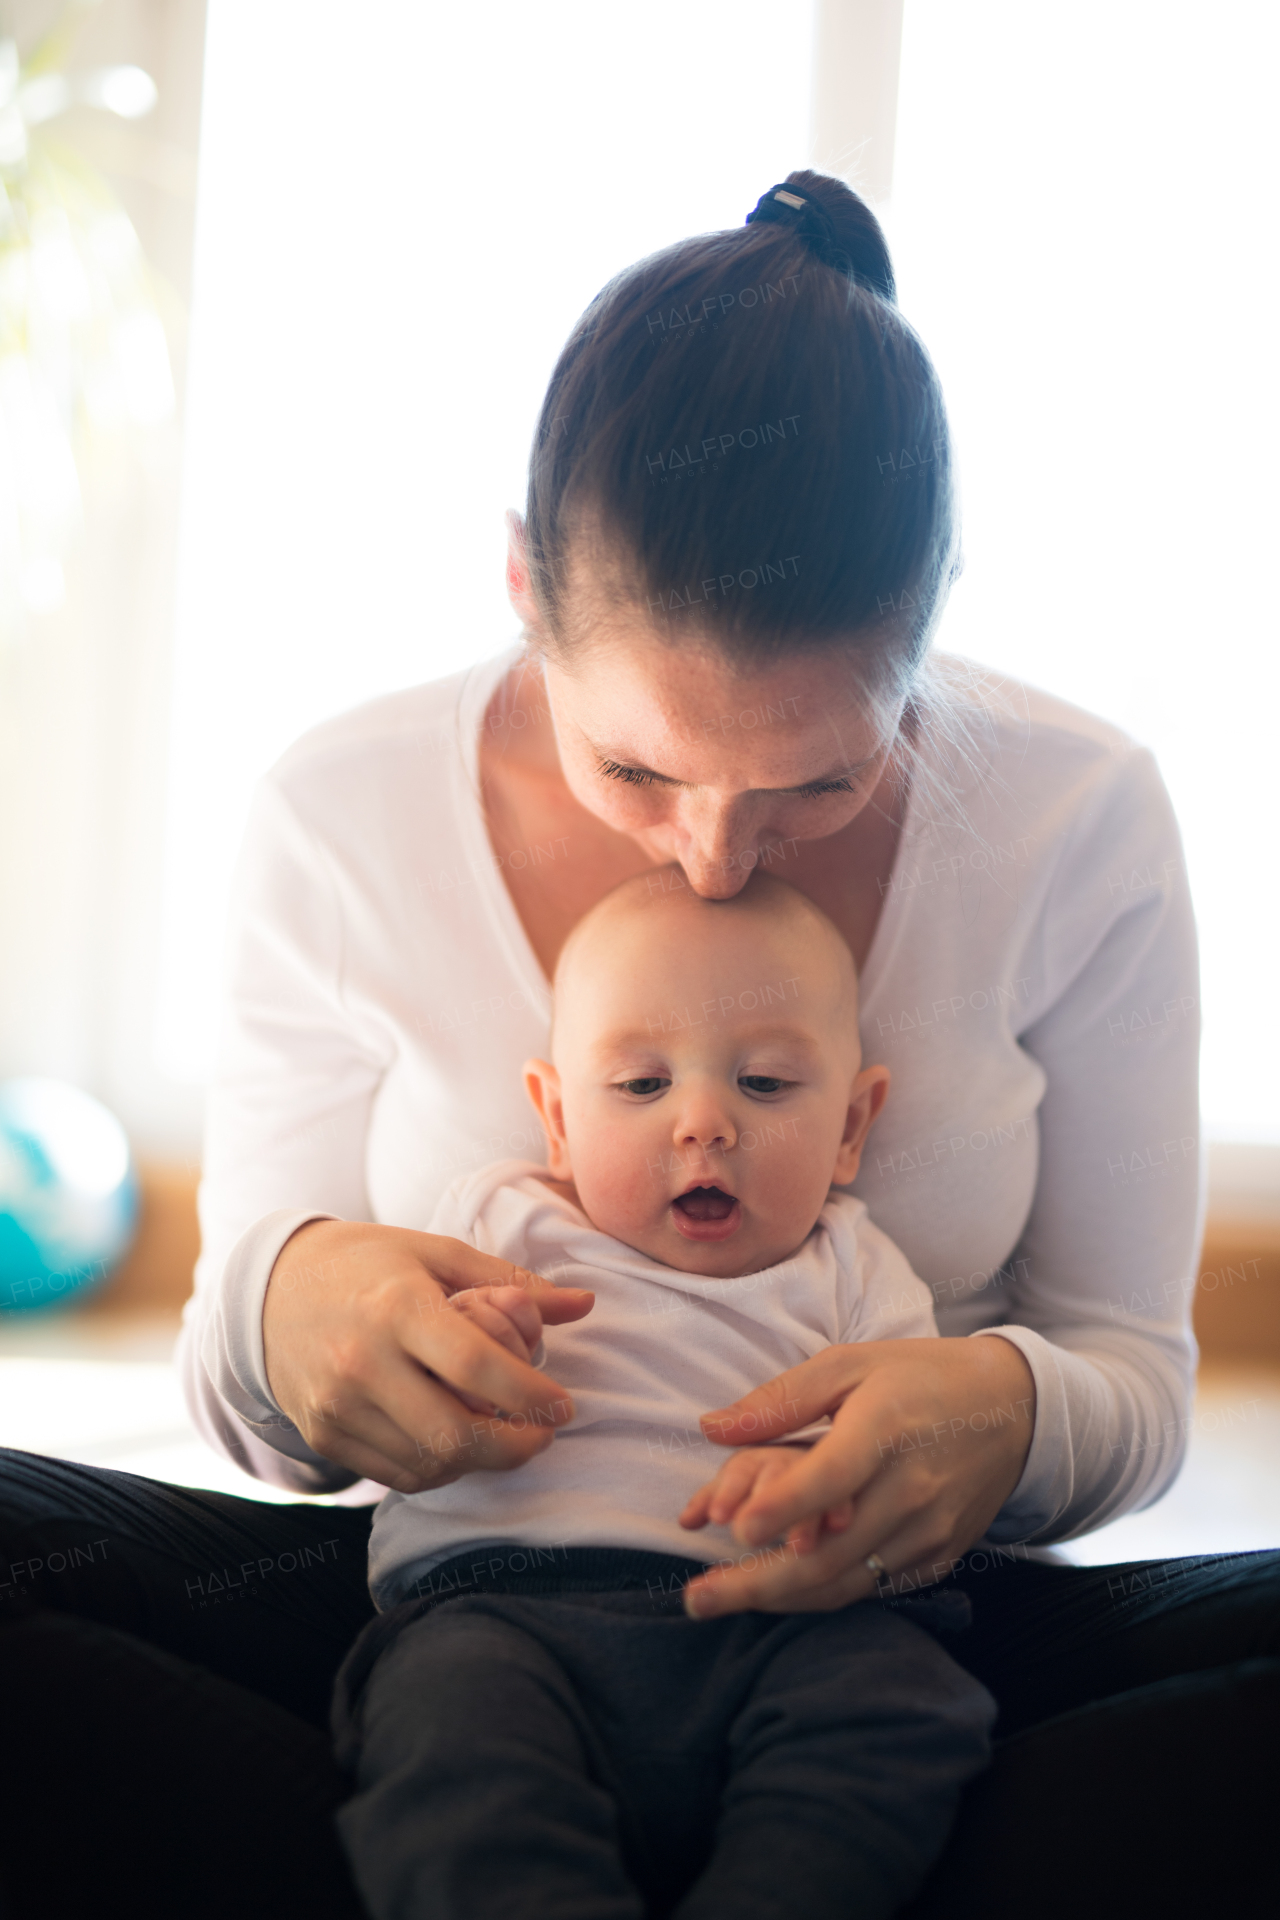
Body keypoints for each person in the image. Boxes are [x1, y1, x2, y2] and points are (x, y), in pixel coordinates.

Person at [0, 171, 1275, 1919]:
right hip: (478, 1607)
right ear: (522, 584)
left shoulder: (1080, 818)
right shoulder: (340, 811)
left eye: (823, 779)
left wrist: (1007, 1412)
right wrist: (292, 1314)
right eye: (640, 770)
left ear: (934, 622)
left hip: (875, 1621)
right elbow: (246, 1393)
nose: (715, 856)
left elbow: (1128, 1381)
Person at [334, 867, 998, 1920]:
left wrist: (838, 1487)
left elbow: (916, 1449)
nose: (702, 1123)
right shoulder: (501, 1226)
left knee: (903, 1702)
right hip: (504, 1610)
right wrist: (465, 1347)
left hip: (783, 1622)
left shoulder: (856, 1271)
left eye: (767, 1084)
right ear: (554, 1116)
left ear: (850, 1124)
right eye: (640, 1086)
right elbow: (384, 1380)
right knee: (451, 1735)